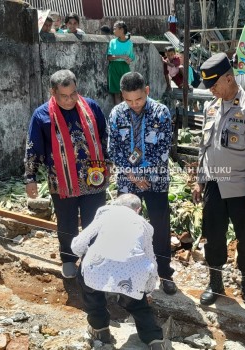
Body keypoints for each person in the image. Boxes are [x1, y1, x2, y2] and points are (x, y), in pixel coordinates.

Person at [192, 53, 245, 313]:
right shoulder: (210, 107)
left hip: (242, 188)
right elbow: (204, 147)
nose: (212, 90)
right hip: (214, 183)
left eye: (215, 84)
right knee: (213, 237)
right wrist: (199, 180)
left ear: (229, 77)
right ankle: (216, 284)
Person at [24, 70, 109, 279]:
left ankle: (92, 259)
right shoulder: (42, 115)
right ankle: (69, 259)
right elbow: (33, 146)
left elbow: (105, 135)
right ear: (53, 92)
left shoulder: (91, 107)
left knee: (94, 221)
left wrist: (109, 161)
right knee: (67, 221)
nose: (70, 99)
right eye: (64, 96)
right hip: (62, 181)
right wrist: (30, 177)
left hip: (94, 178)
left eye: (73, 94)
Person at [71, 194, 170, 350]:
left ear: (115, 204)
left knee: (91, 292)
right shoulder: (144, 225)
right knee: (138, 306)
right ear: (138, 209)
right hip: (132, 274)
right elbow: (151, 259)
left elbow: (77, 246)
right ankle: (155, 341)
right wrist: (148, 290)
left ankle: (99, 329)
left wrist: (87, 255)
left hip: (96, 270)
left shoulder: (105, 215)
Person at [108, 72, 177, 295]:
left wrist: (145, 173)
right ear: (122, 96)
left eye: (138, 99)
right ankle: (126, 273)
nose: (134, 105)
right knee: (127, 227)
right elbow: (113, 150)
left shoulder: (161, 112)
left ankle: (164, 273)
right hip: (128, 182)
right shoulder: (117, 114)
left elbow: (164, 147)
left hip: (155, 180)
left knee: (160, 226)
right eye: (129, 100)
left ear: (146, 91)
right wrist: (134, 175)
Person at [107, 20, 135, 105]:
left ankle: (126, 112)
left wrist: (129, 59)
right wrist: (120, 56)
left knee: (125, 91)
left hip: (125, 67)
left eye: (115, 29)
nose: (113, 31)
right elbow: (109, 57)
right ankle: (118, 114)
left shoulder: (129, 43)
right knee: (116, 93)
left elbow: (132, 56)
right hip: (114, 67)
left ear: (122, 30)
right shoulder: (112, 42)